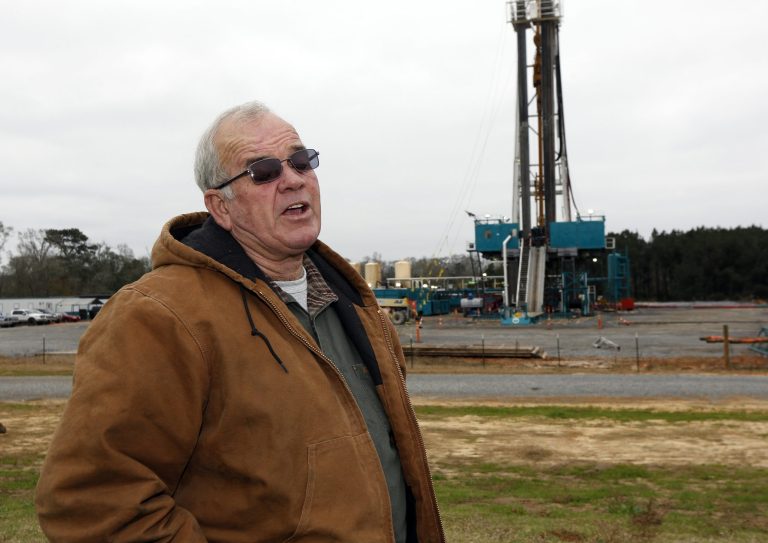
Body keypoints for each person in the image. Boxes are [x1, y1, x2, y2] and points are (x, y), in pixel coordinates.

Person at [35, 101, 444, 543]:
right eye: (263, 171)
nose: (292, 178)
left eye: (301, 160)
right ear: (221, 207)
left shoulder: (351, 304)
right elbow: (94, 503)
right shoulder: (158, 316)